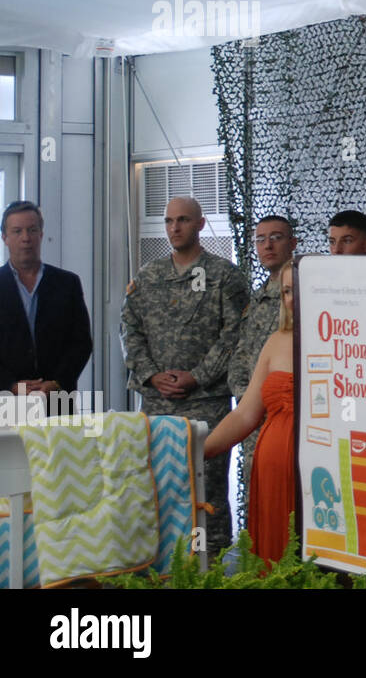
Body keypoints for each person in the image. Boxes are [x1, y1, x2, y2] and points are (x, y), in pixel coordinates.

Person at [121, 196, 248, 553]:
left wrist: (198, 376)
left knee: (205, 487)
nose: (174, 228)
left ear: (201, 224)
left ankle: (215, 561)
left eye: (183, 220)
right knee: (160, 485)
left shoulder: (225, 276)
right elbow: (130, 330)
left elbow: (235, 334)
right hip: (158, 402)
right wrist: (150, 376)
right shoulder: (148, 277)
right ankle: (163, 560)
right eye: (169, 221)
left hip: (206, 403)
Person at [205, 260, 295, 565]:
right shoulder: (275, 342)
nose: (292, 299)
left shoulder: (343, 340)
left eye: (298, 289)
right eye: (285, 291)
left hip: (318, 472)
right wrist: (200, 449)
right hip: (270, 469)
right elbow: (245, 414)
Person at [229, 215, 297, 521]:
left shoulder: (307, 291)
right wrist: (250, 400)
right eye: (260, 239)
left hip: (290, 423)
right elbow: (241, 355)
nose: (267, 245)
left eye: (276, 237)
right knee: (261, 505)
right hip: (255, 422)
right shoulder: (255, 298)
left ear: (293, 243)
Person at [0, 201, 93, 400]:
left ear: (41, 235)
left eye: (32, 230)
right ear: (4, 238)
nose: (26, 238)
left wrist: (58, 382)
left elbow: (81, 342)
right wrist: (10, 385)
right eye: (17, 231)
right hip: (6, 400)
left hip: (57, 398)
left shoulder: (67, 283)